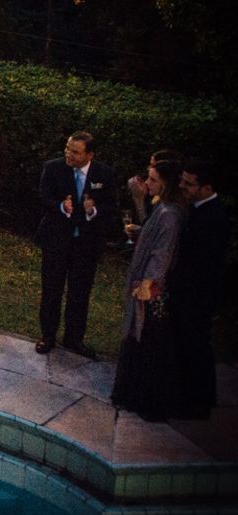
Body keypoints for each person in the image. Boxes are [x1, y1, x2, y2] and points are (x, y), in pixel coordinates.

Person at [112, 154, 186, 421]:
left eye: (153, 180)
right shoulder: (163, 207)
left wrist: (147, 284)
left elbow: (162, 253)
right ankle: (131, 394)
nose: (148, 183)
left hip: (151, 291)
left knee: (147, 341)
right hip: (143, 283)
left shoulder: (171, 215)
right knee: (137, 337)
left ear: (166, 183)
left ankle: (147, 400)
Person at [34, 130, 114, 359]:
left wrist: (92, 211)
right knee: (51, 290)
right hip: (56, 240)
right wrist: (61, 206)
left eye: (75, 152)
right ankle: (48, 335)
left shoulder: (104, 174)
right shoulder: (53, 167)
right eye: (68, 148)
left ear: (89, 155)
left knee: (80, 293)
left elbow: (111, 208)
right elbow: (43, 198)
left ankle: (74, 338)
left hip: (86, 245)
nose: (69, 154)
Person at [172, 160, 228, 419]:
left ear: (207, 187)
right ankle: (190, 394)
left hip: (198, 294)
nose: (182, 186)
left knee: (197, 345)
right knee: (188, 343)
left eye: (188, 183)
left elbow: (204, 263)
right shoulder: (197, 208)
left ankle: (200, 401)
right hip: (189, 291)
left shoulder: (213, 216)